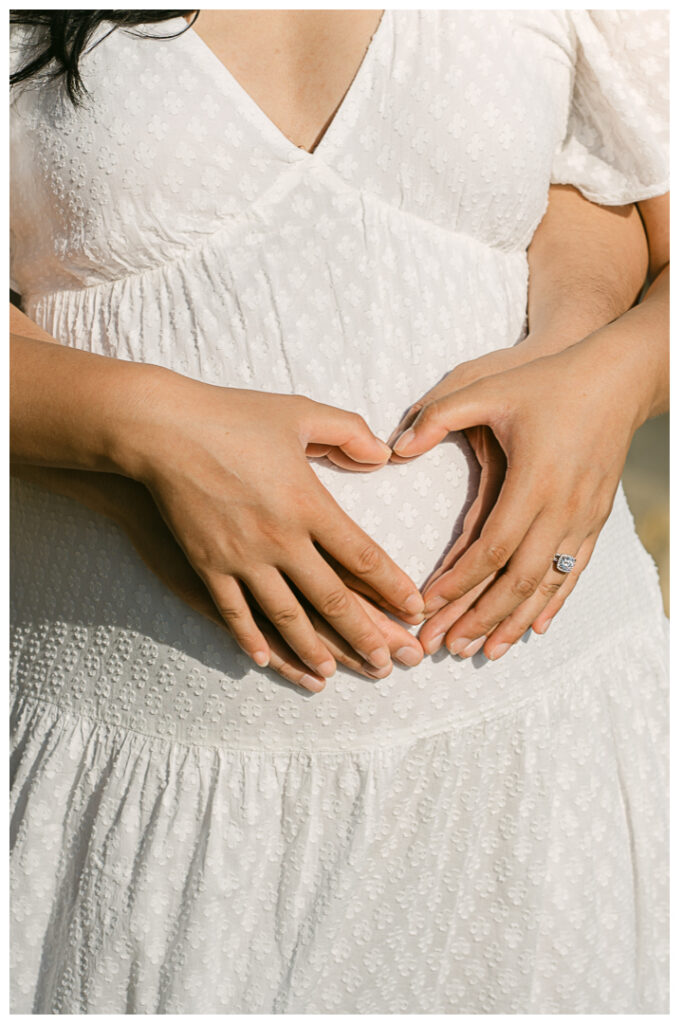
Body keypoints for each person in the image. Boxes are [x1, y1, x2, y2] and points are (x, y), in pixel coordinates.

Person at [10, 9, 669, 1013]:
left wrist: (606, 372)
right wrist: (141, 425)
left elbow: (606, 182)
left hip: (551, 754)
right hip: (155, 801)